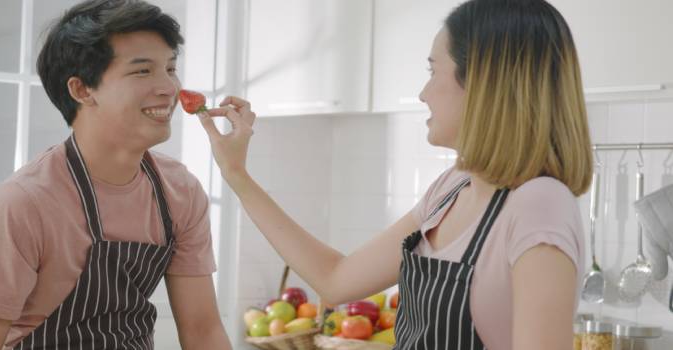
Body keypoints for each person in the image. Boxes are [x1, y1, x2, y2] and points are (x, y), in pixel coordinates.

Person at [198, 0, 592, 348]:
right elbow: (335, 279)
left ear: (484, 83)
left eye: (434, 70)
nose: (423, 92)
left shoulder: (540, 205)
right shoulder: (451, 189)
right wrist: (236, 175)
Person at [0, 1, 231, 349]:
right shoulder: (24, 204)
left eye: (170, 68)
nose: (169, 87)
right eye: (143, 71)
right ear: (82, 89)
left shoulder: (181, 192)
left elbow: (203, 330)